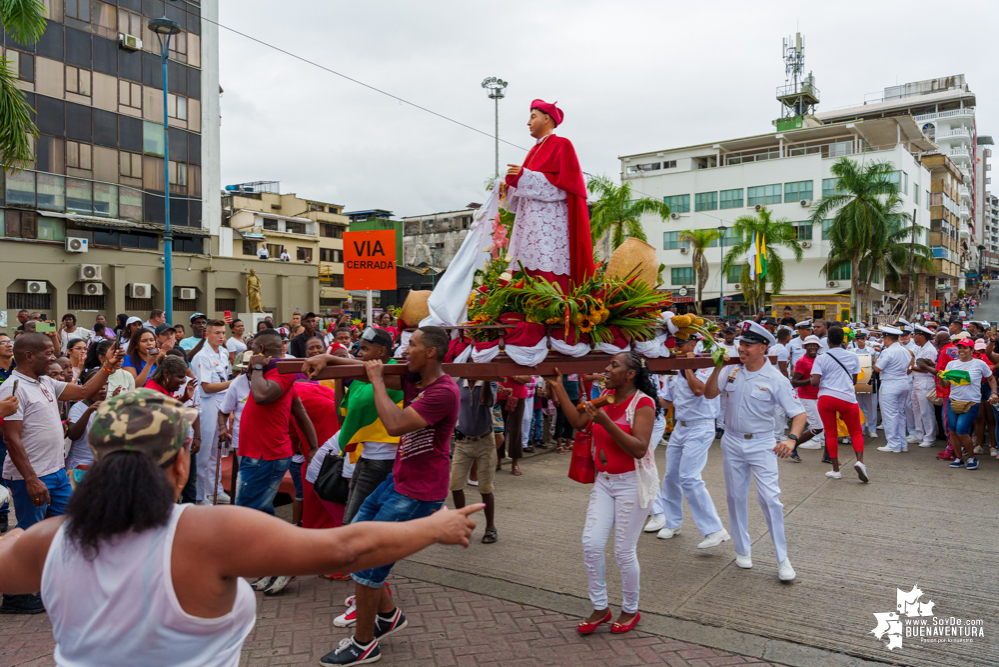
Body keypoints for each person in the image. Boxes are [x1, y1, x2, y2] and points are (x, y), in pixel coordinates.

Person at [0, 389, 481, 664]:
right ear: (180, 466)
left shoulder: (48, 540)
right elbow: (345, 549)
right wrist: (435, 526)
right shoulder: (209, 533)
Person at [304, 326, 460, 665]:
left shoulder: (443, 391)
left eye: (413, 345)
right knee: (356, 547)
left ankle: (363, 644)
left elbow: (395, 424)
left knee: (367, 566)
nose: (406, 350)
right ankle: (388, 617)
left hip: (419, 494)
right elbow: (362, 365)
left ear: (431, 352)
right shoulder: (413, 378)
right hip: (397, 482)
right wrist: (327, 356)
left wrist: (376, 382)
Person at [0, 332, 123, 613]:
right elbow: (12, 440)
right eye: (47, 353)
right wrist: (31, 479)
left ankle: (58, 581)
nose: (53, 357)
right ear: (29, 356)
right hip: (30, 477)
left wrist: (107, 368)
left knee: (70, 527)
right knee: (30, 535)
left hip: (55, 472)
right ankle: (15, 596)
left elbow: (83, 392)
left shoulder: (44, 382)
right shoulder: (13, 388)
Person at [546, 351, 658, 634]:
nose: (606, 369)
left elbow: (639, 447)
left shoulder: (642, 403)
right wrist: (558, 386)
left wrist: (605, 421)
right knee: (592, 545)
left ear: (630, 375)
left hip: (632, 484)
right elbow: (578, 422)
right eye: (608, 364)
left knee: (623, 552)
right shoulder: (603, 398)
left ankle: (630, 611)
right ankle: (600, 607)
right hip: (605, 483)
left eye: (613, 365)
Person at [703, 321, 805, 582]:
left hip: (762, 444)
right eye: (741, 343)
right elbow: (709, 393)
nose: (742, 348)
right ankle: (742, 549)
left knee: (771, 500)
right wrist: (717, 368)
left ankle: (782, 558)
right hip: (732, 441)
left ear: (763, 348)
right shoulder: (731, 370)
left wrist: (792, 440)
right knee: (735, 498)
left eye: (748, 344)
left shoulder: (775, 379)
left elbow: (799, 413)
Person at [644, 334, 726, 548]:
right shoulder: (675, 372)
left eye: (681, 345)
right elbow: (666, 401)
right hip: (681, 427)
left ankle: (715, 529)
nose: (677, 349)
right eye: (675, 345)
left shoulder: (705, 365)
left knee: (689, 477)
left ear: (693, 344)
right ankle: (672, 523)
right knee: (671, 476)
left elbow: (699, 390)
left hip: (701, 426)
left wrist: (687, 366)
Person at [504, 99, 594, 292]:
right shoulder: (534, 150)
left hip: (550, 223)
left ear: (546, 118)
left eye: (533, 117)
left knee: (546, 261)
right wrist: (509, 186)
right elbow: (527, 189)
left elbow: (565, 185)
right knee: (527, 260)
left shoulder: (562, 144)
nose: (528, 122)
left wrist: (524, 176)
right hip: (530, 222)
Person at [809, 327, 868, 482]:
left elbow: (815, 382)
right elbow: (854, 380)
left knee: (830, 433)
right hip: (847, 398)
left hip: (826, 398)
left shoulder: (821, 358)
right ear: (843, 340)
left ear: (828, 341)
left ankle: (835, 470)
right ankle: (860, 462)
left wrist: (811, 379)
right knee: (855, 432)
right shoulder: (852, 356)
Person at [451, 379, 499, 544]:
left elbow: (488, 401)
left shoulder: (489, 383)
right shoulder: (458, 383)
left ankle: (490, 527)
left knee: (485, 488)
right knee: (455, 485)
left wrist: (486, 377)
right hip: (463, 441)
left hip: (485, 441)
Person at [192, 319, 232, 504]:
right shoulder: (202, 356)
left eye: (223, 333)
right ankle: (201, 496)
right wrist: (233, 384)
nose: (221, 336)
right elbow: (206, 387)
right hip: (207, 405)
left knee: (218, 450)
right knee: (205, 451)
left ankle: (215, 489)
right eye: (217, 333)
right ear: (207, 334)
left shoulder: (223, 353)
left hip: (221, 402)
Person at [940, 339, 997, 470]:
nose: (961, 350)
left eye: (965, 348)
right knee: (953, 431)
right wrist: (941, 377)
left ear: (972, 350)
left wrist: (994, 392)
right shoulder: (951, 364)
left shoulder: (979, 364)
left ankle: (972, 458)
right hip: (953, 401)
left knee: (961, 431)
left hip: (971, 402)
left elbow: (991, 378)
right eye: (959, 348)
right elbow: (945, 384)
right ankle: (959, 458)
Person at [874, 327, 913, 454]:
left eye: (884, 339)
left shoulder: (888, 352)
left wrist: (876, 361)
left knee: (890, 415)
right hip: (903, 383)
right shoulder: (905, 351)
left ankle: (894, 444)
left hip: (890, 384)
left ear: (888, 338)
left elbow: (878, 368)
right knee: (900, 414)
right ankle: (902, 443)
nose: (883, 341)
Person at [64, 369, 107, 483]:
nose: (103, 388)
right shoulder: (78, 408)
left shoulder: (110, 406)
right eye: (99, 385)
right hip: (80, 468)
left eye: (106, 384)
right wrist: (89, 411)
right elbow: (73, 435)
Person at [788, 336, 824, 459]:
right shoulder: (802, 361)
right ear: (805, 347)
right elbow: (794, 382)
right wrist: (811, 380)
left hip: (820, 396)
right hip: (807, 397)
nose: (813, 347)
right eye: (810, 345)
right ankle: (793, 445)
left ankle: (828, 456)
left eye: (815, 345)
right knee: (817, 427)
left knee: (828, 427)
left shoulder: (820, 359)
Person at [910, 325, 939, 447]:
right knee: (916, 409)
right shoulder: (920, 348)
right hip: (917, 381)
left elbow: (928, 369)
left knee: (926, 410)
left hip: (925, 381)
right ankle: (919, 434)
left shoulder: (929, 350)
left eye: (915, 335)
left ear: (921, 336)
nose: (914, 337)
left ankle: (930, 437)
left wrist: (911, 367)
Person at [850, 330, 879, 439]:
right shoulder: (852, 351)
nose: (860, 341)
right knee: (858, 406)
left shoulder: (873, 351)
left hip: (869, 380)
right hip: (857, 381)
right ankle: (860, 428)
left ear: (866, 338)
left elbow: (878, 363)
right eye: (858, 339)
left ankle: (872, 429)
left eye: (862, 338)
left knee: (871, 406)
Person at [0, 333, 15, 533]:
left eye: (10, 342)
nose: (8, 345)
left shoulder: (19, 369)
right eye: (3, 343)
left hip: (19, 430)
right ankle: (3, 514)